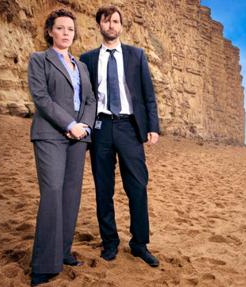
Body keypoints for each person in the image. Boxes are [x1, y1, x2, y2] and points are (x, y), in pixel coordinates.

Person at [80, 5, 160, 267]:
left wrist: (153, 126)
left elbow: (148, 94)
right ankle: (110, 242)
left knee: (137, 186)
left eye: (115, 21)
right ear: (99, 25)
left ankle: (139, 244)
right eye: (106, 21)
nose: (111, 25)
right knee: (104, 189)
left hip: (129, 127)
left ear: (121, 26)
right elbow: (85, 98)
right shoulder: (88, 59)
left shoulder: (136, 55)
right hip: (101, 127)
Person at [28, 8, 96, 286]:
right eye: (60, 28)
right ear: (49, 31)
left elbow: (91, 99)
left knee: (70, 196)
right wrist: (70, 124)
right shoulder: (39, 60)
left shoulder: (81, 66)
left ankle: (63, 251)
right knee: (53, 193)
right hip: (51, 135)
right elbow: (42, 99)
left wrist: (85, 127)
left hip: (79, 138)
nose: (66, 33)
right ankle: (44, 264)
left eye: (70, 29)